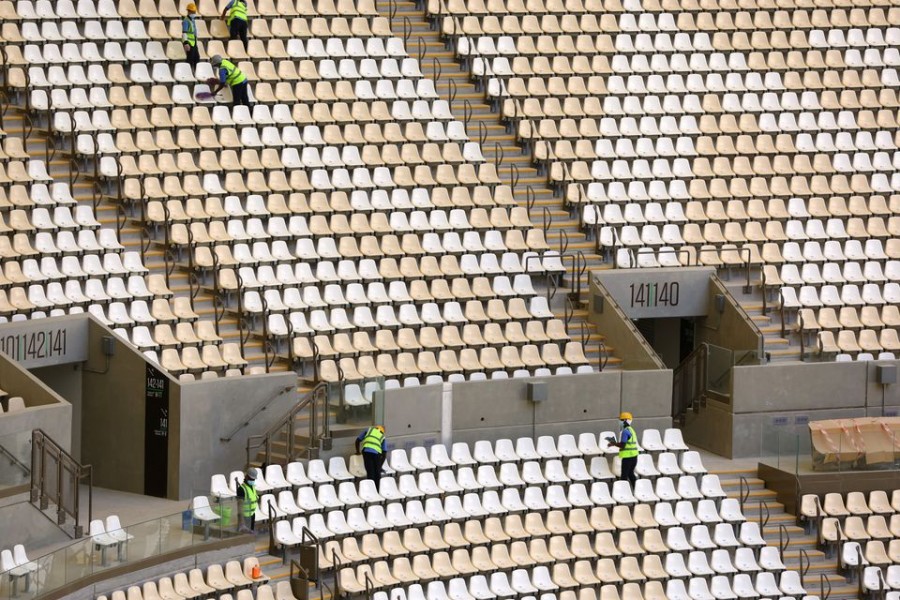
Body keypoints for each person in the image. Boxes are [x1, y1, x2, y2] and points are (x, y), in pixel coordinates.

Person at [608, 412, 639, 487]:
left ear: (625, 420)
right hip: (634, 456)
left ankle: (623, 491)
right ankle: (637, 489)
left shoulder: (625, 431)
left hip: (627, 458)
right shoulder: (632, 430)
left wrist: (613, 443)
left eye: (621, 420)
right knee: (630, 474)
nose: (620, 422)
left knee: (624, 476)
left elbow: (623, 445)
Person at [355, 425, 387, 489]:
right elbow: (384, 453)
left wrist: (358, 451)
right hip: (376, 454)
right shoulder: (382, 436)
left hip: (366, 452)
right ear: (382, 431)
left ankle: (370, 490)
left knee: (370, 472)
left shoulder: (369, 430)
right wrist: (379, 467)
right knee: (377, 473)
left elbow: (357, 440)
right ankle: (377, 490)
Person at [236, 467, 259, 532]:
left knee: (250, 534)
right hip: (245, 518)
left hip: (252, 515)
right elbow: (240, 506)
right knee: (245, 536)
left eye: (253, 479)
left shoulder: (253, 487)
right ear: (246, 477)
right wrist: (242, 523)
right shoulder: (241, 489)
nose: (252, 481)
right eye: (251, 479)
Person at [181, 3, 200, 69]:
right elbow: (184, 33)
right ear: (189, 11)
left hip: (194, 42)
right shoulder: (186, 21)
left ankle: (196, 73)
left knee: (196, 58)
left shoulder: (192, 20)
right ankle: (187, 72)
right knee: (190, 59)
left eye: (194, 11)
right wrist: (186, 43)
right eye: (193, 11)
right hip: (189, 43)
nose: (194, 13)